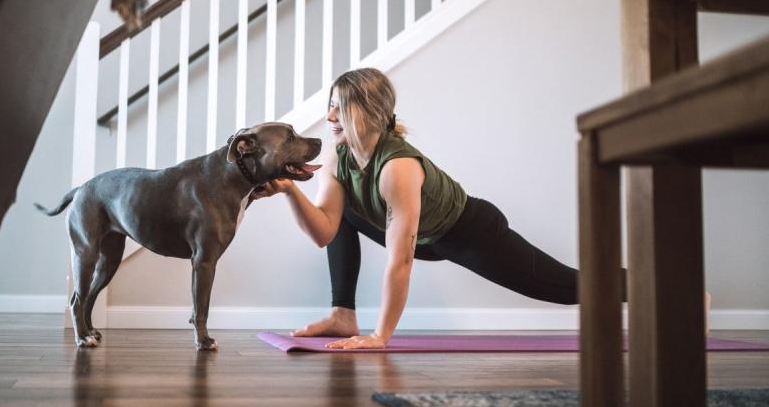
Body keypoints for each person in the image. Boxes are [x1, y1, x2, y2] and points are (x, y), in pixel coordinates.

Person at [252, 68, 664, 350]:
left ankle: (668, 287)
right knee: (340, 215)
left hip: (468, 231)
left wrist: (381, 336)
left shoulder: (397, 167)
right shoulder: (338, 161)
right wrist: (291, 191)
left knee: (566, 287)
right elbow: (325, 231)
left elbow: (401, 261)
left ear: (367, 113)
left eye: (339, 107)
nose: (329, 116)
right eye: (330, 105)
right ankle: (342, 314)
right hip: (426, 235)